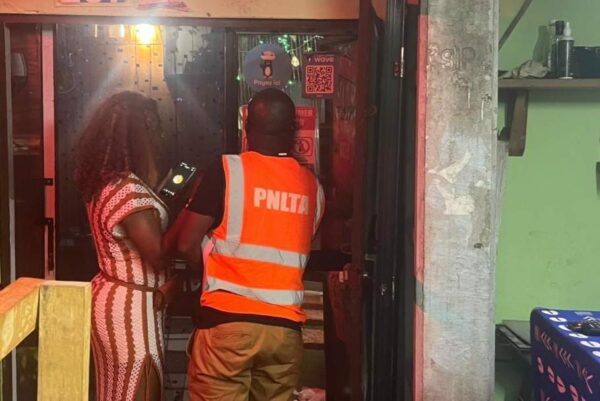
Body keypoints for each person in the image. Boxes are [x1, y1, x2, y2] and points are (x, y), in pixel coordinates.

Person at [166, 88, 325, 401]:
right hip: (284, 332)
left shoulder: (228, 170)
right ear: (293, 131)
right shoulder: (313, 187)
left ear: (246, 128)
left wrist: (207, 273)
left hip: (228, 324)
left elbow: (184, 244)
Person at [74, 91, 169, 401]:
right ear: (139, 134)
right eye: (153, 127)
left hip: (115, 298)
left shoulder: (107, 183)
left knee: (114, 391)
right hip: (131, 310)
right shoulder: (128, 189)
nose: (159, 136)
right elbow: (157, 255)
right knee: (140, 386)